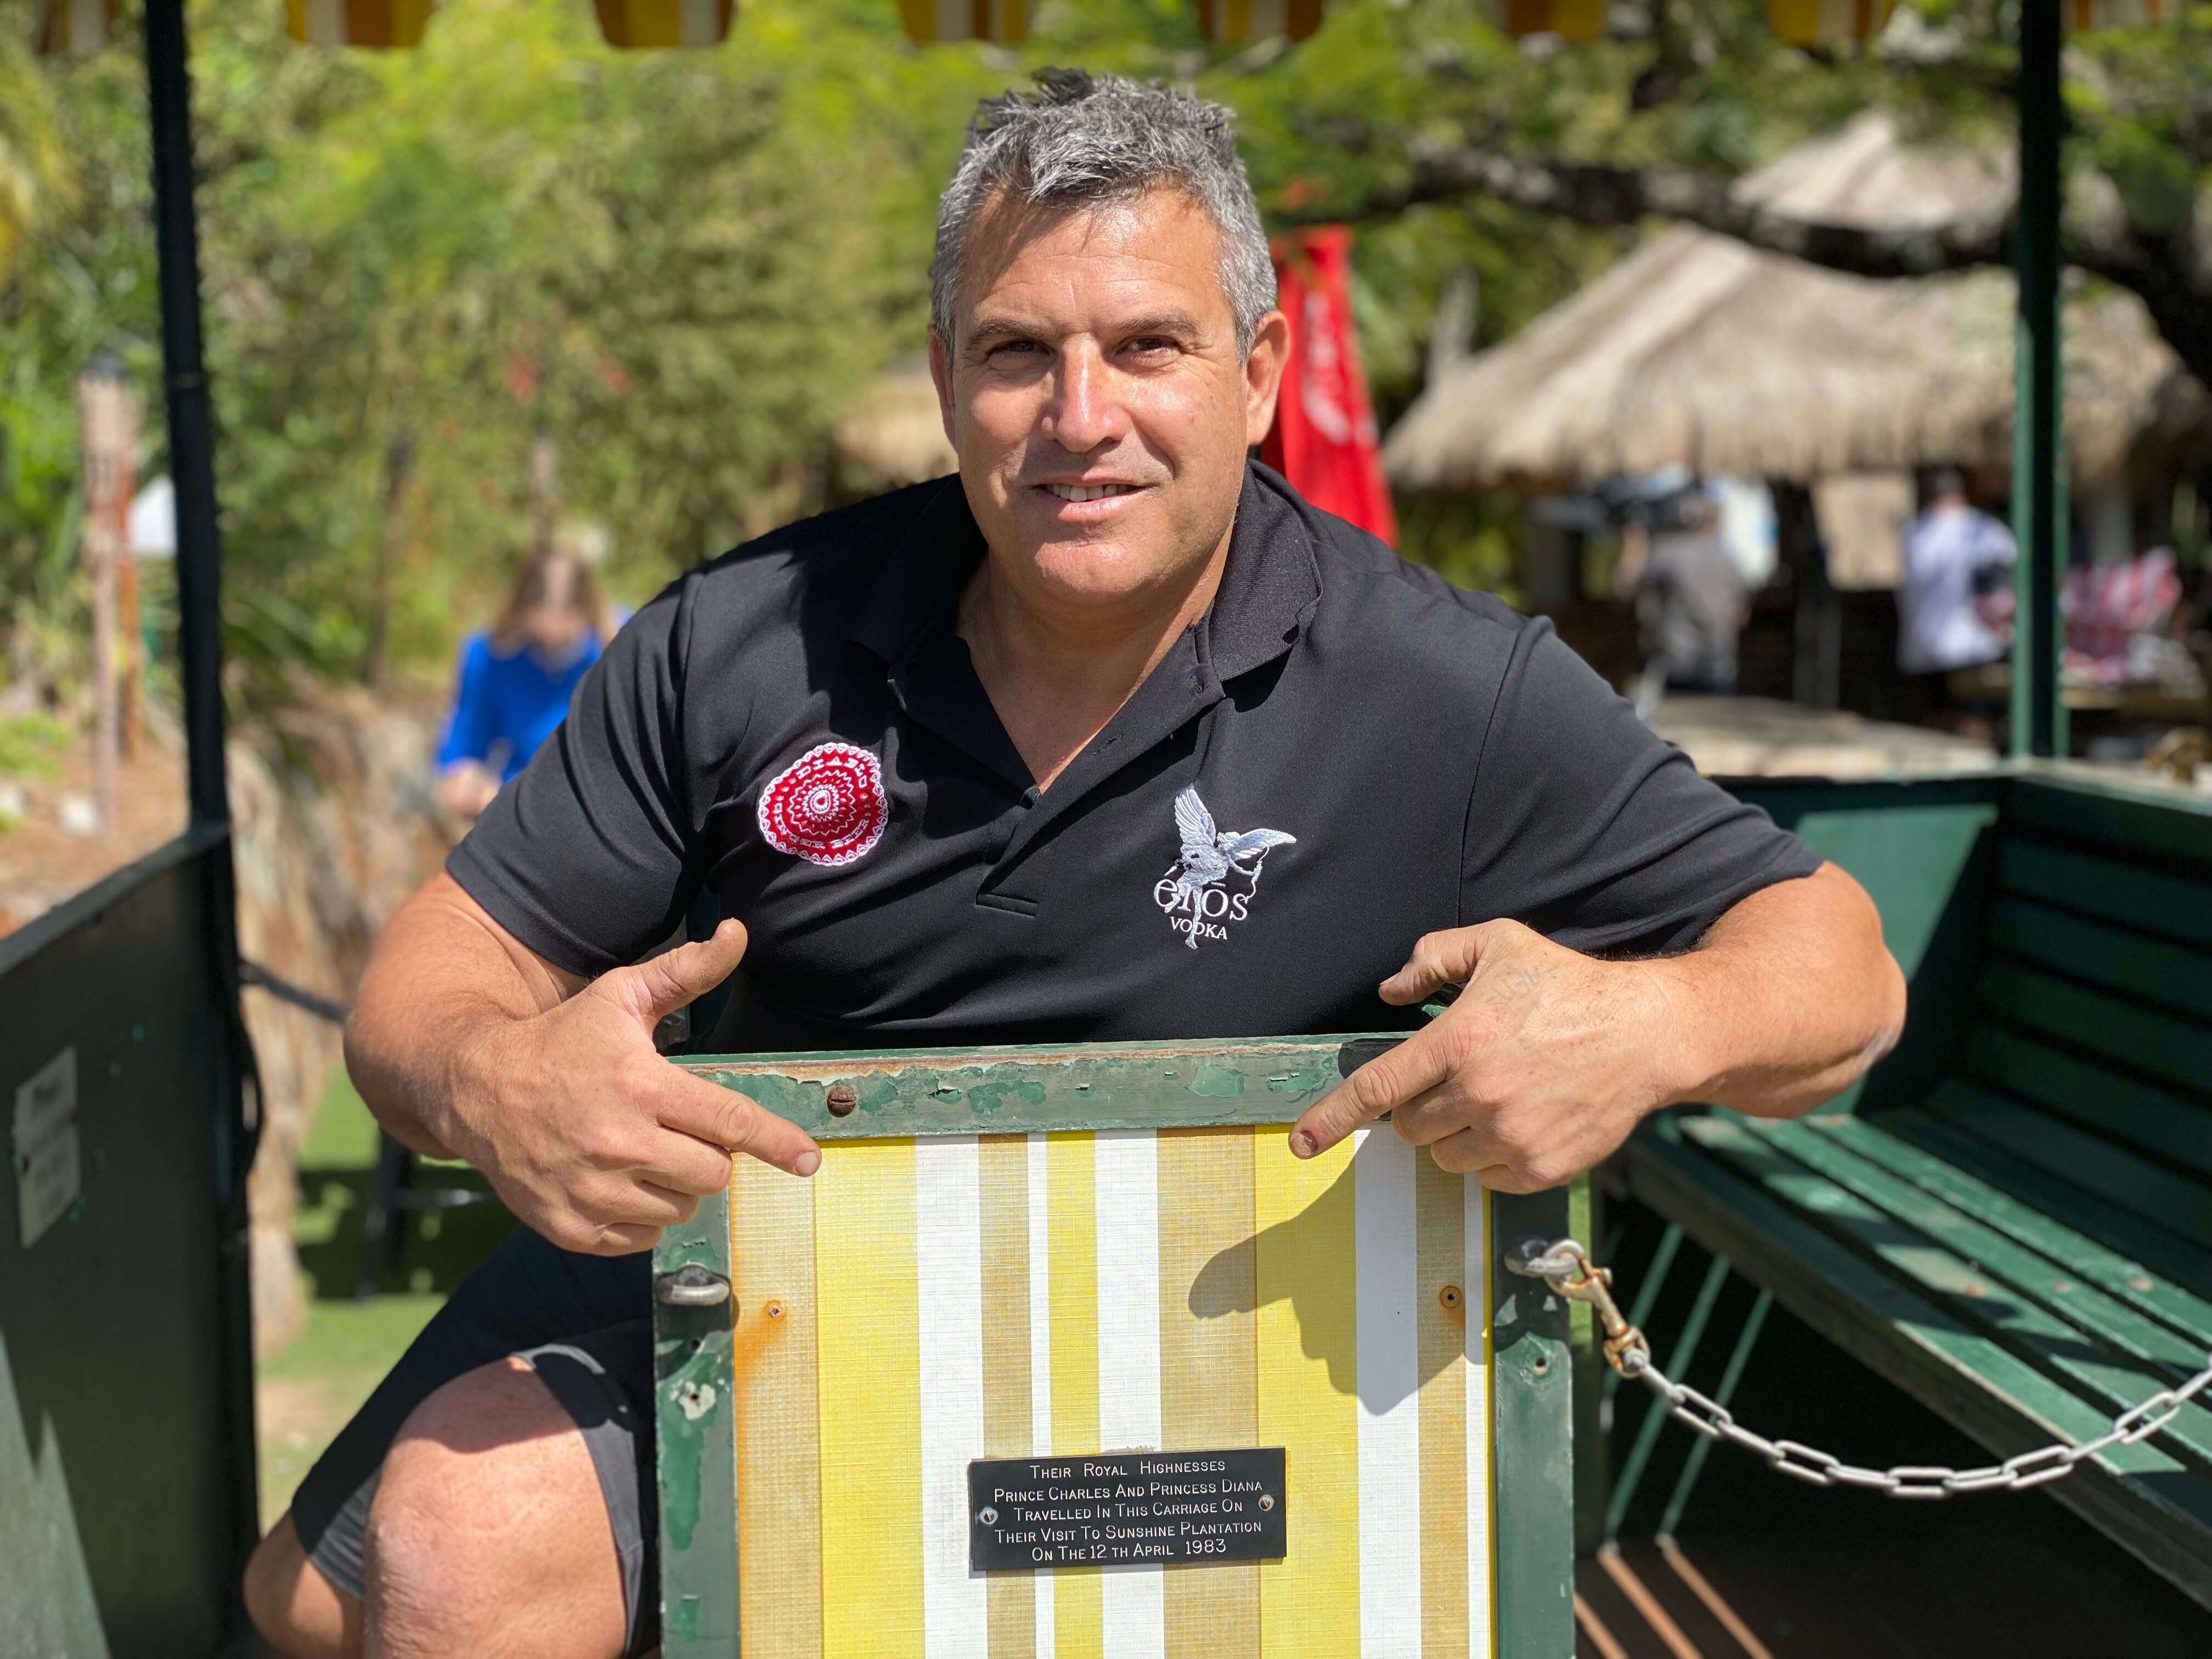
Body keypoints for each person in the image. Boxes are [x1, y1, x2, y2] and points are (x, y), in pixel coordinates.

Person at [244, 72, 1904, 1659]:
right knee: (340, 1595)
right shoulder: (740, 644)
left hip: (1237, 1363)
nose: (1080, 417)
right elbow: (429, 980)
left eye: (1147, 347)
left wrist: (1643, 1025)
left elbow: (1839, 969)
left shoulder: (1445, 688)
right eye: (1018, 352)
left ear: (1258, 375)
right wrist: (501, 1083)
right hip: (775, 1307)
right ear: (945, 373)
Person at [433, 551, 616, 819]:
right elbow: (468, 733)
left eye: (565, 640)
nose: (551, 649)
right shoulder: (491, 656)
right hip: (513, 810)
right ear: (521, 611)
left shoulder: (618, 652)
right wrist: (464, 772)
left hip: (596, 814)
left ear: (587, 615)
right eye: (540, 638)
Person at [1615, 490, 1751, 699]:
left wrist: (1634, 546)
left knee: (1675, 730)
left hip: (1677, 664)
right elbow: (1741, 616)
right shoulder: (1730, 561)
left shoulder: (1670, 552)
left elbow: (1623, 589)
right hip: (1719, 665)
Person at [1897, 466, 2016, 684]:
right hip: (1972, 648)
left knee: (1936, 715)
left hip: (1921, 649)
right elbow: (2003, 591)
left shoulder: (1911, 533)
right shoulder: (1983, 529)